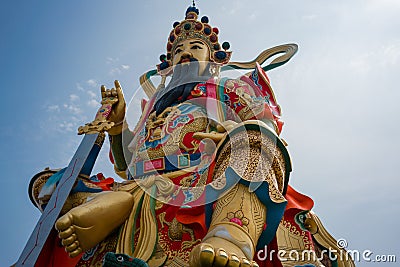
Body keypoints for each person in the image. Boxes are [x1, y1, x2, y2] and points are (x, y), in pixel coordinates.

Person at [30, 5, 354, 267]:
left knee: (255, 142)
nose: (185, 54)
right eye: (178, 52)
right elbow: (127, 165)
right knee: (50, 185)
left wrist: (227, 135)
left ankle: (231, 235)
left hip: (211, 178)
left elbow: (264, 125)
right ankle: (116, 202)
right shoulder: (151, 110)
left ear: (212, 59)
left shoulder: (228, 90)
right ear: (168, 66)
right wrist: (117, 127)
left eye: (195, 47)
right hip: (145, 184)